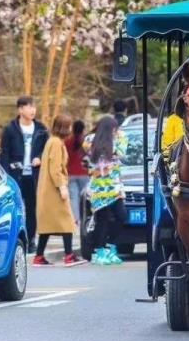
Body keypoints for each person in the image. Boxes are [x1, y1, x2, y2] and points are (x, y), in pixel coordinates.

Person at [33, 114, 84, 267]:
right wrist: (62, 186)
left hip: (47, 190)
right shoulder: (56, 143)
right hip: (54, 190)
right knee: (66, 221)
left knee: (48, 225)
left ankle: (39, 256)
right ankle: (69, 255)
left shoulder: (52, 141)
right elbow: (55, 168)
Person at [0, 96, 49, 253]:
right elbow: (4, 154)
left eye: (34, 107)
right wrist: (6, 175)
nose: (32, 110)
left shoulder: (41, 129)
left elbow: (46, 150)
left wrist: (39, 157)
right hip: (16, 175)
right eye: (28, 107)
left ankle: (31, 239)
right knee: (16, 208)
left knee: (33, 209)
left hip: (34, 176)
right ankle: (16, 239)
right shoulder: (10, 129)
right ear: (20, 109)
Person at [87, 115, 128, 265]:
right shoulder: (90, 141)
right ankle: (99, 251)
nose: (117, 132)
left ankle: (111, 247)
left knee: (122, 216)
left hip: (115, 188)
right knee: (102, 221)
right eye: (114, 129)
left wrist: (116, 136)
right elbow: (89, 152)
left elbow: (122, 152)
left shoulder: (117, 141)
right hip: (98, 189)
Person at [65, 120, 88, 226]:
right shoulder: (86, 142)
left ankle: (76, 219)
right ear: (83, 129)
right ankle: (85, 217)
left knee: (74, 197)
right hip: (84, 173)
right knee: (84, 197)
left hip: (71, 173)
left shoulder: (67, 142)